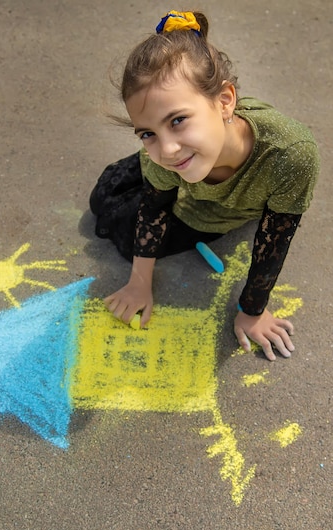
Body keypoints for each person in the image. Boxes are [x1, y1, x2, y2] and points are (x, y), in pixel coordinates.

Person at [90, 10, 320, 361]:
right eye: (147, 132)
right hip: (190, 168)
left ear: (226, 101)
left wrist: (252, 310)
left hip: (208, 210)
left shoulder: (290, 155)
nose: (165, 148)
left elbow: (274, 241)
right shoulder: (167, 154)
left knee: (118, 229)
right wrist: (139, 282)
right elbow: (153, 208)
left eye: (178, 120)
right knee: (105, 196)